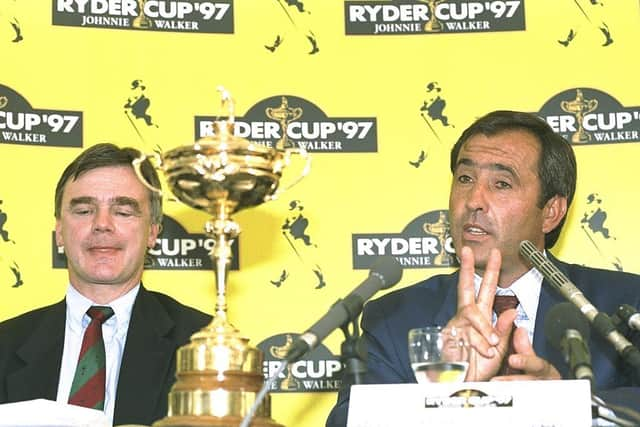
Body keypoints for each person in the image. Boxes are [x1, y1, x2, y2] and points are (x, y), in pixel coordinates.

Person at [326, 110, 640, 426]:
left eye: (501, 183)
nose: (474, 199)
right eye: (465, 179)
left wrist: (566, 405)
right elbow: (345, 420)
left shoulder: (624, 304)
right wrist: (445, 398)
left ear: (552, 212)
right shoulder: (394, 317)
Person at [0, 143, 212, 426]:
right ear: (59, 231)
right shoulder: (5, 344)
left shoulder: (202, 347)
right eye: (84, 210)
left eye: (123, 212)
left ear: (152, 233)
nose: (102, 224)